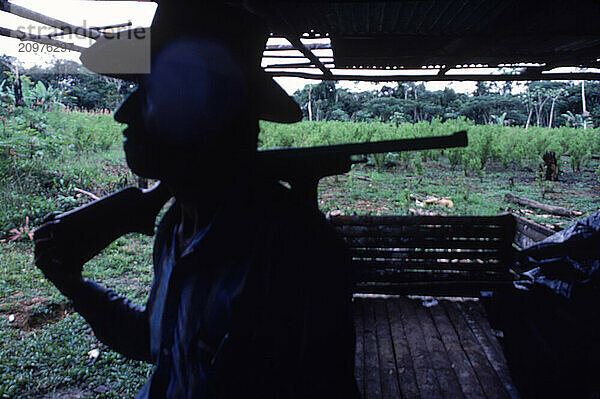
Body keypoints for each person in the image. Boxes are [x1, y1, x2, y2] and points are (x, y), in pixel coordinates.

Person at [33, 2, 359, 398]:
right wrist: (74, 286)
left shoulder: (301, 253)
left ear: (215, 112)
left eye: (157, 92)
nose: (123, 112)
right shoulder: (175, 224)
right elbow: (162, 345)